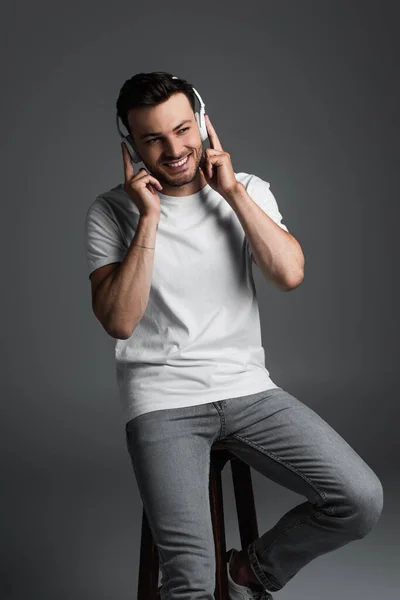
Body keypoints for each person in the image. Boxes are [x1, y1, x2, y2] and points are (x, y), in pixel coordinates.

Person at [84, 72, 384, 600]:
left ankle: (250, 571)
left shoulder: (247, 189)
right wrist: (149, 219)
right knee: (189, 582)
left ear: (202, 122)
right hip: (162, 401)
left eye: (182, 130)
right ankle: (214, 576)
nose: (174, 149)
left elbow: (289, 274)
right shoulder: (111, 210)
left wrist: (233, 196)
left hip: (247, 389)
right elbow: (120, 321)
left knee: (360, 499)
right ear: (131, 145)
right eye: (153, 138)